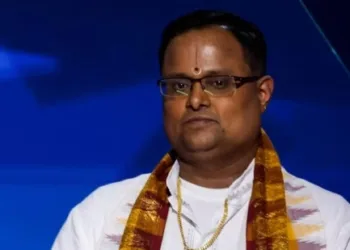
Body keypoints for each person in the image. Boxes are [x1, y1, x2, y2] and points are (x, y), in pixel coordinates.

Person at [52, 10, 350, 250]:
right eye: (179, 86)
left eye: (218, 83)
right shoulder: (101, 215)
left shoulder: (329, 221)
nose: (195, 100)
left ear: (262, 94)